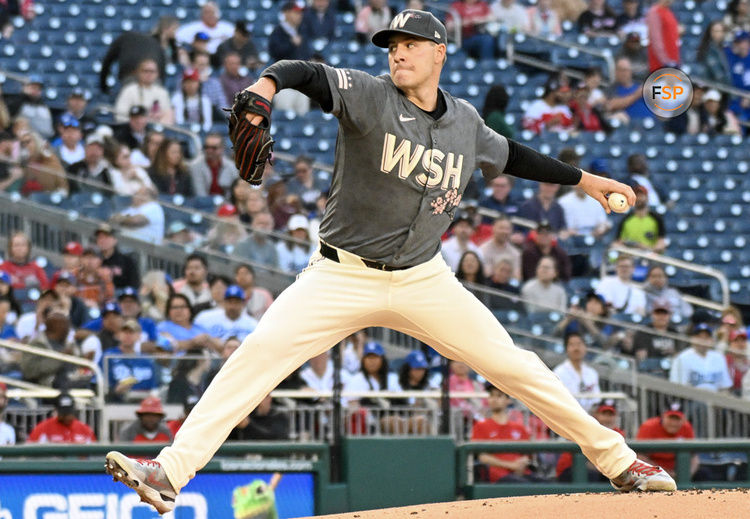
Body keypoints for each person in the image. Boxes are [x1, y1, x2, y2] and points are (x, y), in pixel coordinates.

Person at [105, 11, 674, 512]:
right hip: (339, 274)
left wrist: (588, 181)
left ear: (439, 53)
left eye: (409, 43)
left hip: (425, 277)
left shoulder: (465, 122)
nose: (397, 51)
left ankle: (620, 462)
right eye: (391, 44)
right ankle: (169, 473)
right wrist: (266, 85)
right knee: (256, 357)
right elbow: (304, 71)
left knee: (518, 367)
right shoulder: (370, 95)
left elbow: (514, 154)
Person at [471, 384, 541, 483]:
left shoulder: (519, 427)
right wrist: (511, 465)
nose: (494, 399)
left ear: (508, 400)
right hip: (496, 474)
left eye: (499, 396)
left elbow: (527, 454)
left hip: (522, 472)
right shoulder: (481, 426)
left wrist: (521, 464)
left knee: (547, 485)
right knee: (522, 484)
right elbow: (483, 457)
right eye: (491, 396)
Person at [557, 401, 625, 482]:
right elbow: (589, 463)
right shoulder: (587, 428)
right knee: (593, 475)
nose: (607, 419)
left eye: (610, 415)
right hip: (570, 470)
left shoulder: (618, 433)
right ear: (596, 415)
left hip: (600, 469)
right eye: (604, 414)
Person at [103, 319, 161, 402]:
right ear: (119, 335)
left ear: (139, 336)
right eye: (124, 332)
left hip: (143, 404)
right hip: (115, 403)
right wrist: (115, 391)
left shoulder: (146, 362)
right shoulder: (109, 355)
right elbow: (99, 383)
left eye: (131, 332)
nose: (127, 335)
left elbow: (153, 389)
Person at [636, 405, 698, 478]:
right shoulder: (649, 426)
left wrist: (686, 475)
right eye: (670, 418)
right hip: (651, 472)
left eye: (677, 419)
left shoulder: (686, 427)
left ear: (683, 420)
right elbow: (639, 456)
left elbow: (694, 457)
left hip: (678, 471)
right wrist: (662, 472)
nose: (673, 423)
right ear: (663, 417)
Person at [669, 324, 732, 393]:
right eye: (699, 337)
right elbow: (677, 388)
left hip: (716, 400)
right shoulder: (681, 358)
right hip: (691, 399)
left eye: (706, 337)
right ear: (692, 339)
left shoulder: (719, 358)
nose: (703, 340)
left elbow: (725, 387)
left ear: (712, 340)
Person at [99, 30, 167, 92]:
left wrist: (103, 86)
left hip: (131, 76)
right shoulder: (153, 42)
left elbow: (107, 61)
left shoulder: (124, 38)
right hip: (131, 75)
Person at [114, 59, 174, 124]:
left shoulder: (162, 93)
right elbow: (120, 115)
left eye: (152, 71)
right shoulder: (129, 90)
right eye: (145, 71)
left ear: (157, 74)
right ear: (138, 72)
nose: (149, 74)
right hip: (132, 129)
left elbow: (168, 117)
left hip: (156, 130)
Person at [157, 294, 221, 353]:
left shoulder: (200, 328)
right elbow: (165, 347)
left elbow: (220, 346)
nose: (179, 310)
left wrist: (209, 339)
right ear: (168, 311)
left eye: (183, 306)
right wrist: (193, 342)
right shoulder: (162, 327)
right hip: (178, 363)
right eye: (175, 307)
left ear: (190, 310)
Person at [553, 332, 600, 411]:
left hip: (589, 417)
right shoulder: (558, 372)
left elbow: (597, 399)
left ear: (585, 348)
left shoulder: (592, 373)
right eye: (572, 345)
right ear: (566, 349)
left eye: (579, 344)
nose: (576, 348)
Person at [613, 184, 666, 254]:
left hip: (649, 256)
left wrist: (645, 248)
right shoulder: (626, 219)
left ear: (647, 197)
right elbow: (617, 243)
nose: (638, 198)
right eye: (636, 196)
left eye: (641, 195)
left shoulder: (656, 218)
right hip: (630, 255)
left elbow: (661, 244)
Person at [193, 285, 258, 341]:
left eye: (236, 302)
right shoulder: (205, 317)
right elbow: (193, 334)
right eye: (230, 302)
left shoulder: (253, 325)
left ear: (243, 304)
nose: (232, 306)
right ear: (224, 302)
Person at [27, 393, 96, 444]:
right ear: (56, 411)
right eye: (64, 414)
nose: (67, 417)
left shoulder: (84, 429)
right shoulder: (43, 428)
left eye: (69, 413)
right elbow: (29, 450)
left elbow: (95, 455)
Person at [95, 224, 141, 290]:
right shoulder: (93, 260)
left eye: (107, 237)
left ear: (115, 240)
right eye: (100, 237)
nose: (103, 240)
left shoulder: (127, 261)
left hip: (122, 296)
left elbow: (134, 284)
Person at [172, 68, 213, 133]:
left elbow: (207, 123)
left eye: (193, 81)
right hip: (183, 131)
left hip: (201, 132)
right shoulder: (177, 98)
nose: (190, 85)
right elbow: (179, 120)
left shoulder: (205, 100)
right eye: (187, 82)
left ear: (198, 84)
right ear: (183, 84)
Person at [645, 0, 679, 72]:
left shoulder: (668, 12)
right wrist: (666, 62)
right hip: (661, 64)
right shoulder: (654, 12)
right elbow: (656, 40)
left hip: (672, 59)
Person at [725, 329, 749, 397]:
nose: (740, 344)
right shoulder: (725, 361)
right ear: (730, 344)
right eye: (736, 341)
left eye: (743, 340)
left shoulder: (748, 362)